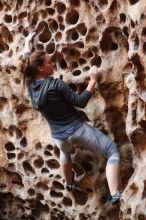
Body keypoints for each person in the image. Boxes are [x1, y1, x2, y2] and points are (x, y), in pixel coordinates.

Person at [22, 32, 122, 205]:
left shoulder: (30, 86)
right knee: (112, 151)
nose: (52, 63)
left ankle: (69, 183)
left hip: (58, 137)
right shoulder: (56, 85)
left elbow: (26, 61)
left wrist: (26, 44)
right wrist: (92, 80)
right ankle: (115, 194)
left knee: (65, 154)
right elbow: (81, 102)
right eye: (49, 62)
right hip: (78, 131)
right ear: (40, 68)